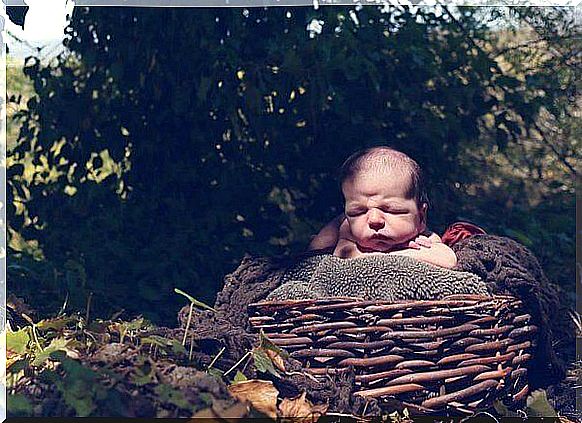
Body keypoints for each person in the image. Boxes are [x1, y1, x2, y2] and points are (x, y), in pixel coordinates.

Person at [308, 146, 457, 268]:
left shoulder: (424, 236)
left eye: (392, 210)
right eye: (357, 212)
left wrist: (397, 253)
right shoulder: (349, 231)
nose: (374, 220)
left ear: (421, 216)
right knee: (317, 247)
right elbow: (341, 259)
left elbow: (449, 260)